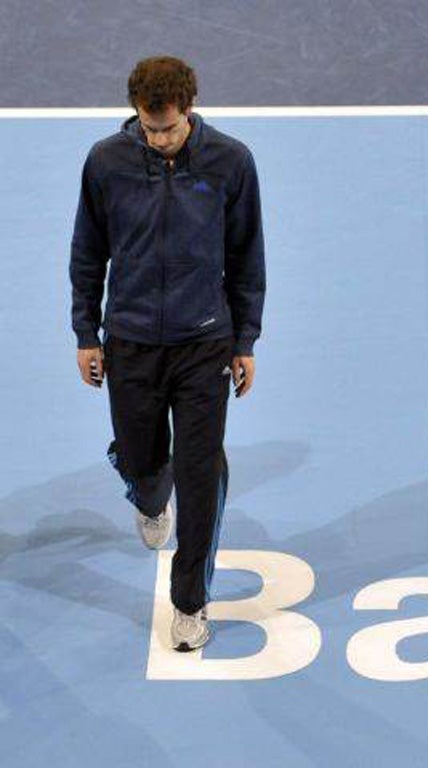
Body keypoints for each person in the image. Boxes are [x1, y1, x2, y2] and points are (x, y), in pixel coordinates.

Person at [69, 55, 266, 652]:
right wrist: (86, 333)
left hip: (203, 342)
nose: (158, 140)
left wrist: (244, 341)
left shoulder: (231, 162)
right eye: (149, 129)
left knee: (200, 474)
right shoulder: (106, 162)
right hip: (129, 342)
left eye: (169, 129)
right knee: (142, 461)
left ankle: (190, 603)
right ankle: (150, 494)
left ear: (190, 108)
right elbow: (87, 253)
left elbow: (247, 257)